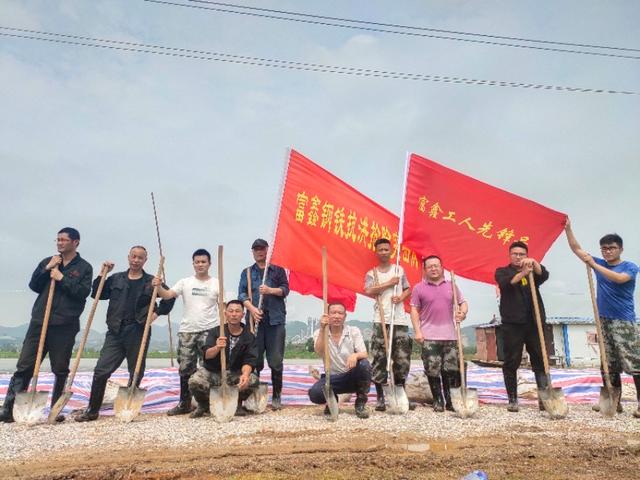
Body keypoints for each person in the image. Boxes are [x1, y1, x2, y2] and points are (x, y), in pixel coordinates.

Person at [0, 227, 92, 423]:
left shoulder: (84, 267)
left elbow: (82, 293)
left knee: (60, 368)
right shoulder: (48, 262)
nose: (59, 243)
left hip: (64, 325)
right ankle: (8, 410)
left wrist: (62, 278)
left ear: (75, 242)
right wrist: (47, 269)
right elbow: (34, 285)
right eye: (58, 239)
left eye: (64, 240)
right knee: (24, 366)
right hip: (40, 322)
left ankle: (55, 411)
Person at [75, 246, 175, 422]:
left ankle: (128, 406)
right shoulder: (116, 279)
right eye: (133, 256)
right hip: (115, 330)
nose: (136, 260)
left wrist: (156, 313)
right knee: (101, 370)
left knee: (135, 370)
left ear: (145, 260)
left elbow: (170, 298)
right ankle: (92, 410)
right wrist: (103, 273)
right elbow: (97, 293)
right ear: (128, 257)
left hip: (138, 330)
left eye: (140, 258)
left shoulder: (151, 281)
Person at [565, 219, 640, 418]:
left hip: (624, 321)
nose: (607, 251)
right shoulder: (598, 263)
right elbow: (576, 249)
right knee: (608, 363)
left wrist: (594, 265)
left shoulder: (630, 267)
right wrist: (568, 229)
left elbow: (619, 279)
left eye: (611, 248)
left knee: (634, 362)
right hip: (603, 321)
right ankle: (614, 402)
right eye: (604, 248)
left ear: (620, 249)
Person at [153, 248, 219, 416]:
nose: (200, 264)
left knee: (208, 367)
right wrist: (158, 286)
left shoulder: (216, 283)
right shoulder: (185, 282)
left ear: (209, 264)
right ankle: (185, 403)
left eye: (203, 262)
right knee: (185, 367)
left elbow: (223, 306)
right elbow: (167, 295)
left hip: (210, 330)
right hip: (187, 331)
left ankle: (208, 403)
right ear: (193, 264)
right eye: (197, 262)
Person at [495, 241, 551, 413]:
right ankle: (512, 399)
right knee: (511, 361)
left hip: (534, 322)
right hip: (512, 324)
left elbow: (544, 275)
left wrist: (534, 263)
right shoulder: (502, 271)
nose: (518, 257)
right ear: (510, 255)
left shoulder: (533, 271)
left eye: (522, 254)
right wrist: (523, 273)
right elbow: (508, 283)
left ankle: (544, 399)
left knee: (540, 360)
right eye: (515, 254)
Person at [410, 255, 468, 412]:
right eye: (430, 266)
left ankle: (451, 401)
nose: (433, 269)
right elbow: (414, 310)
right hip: (429, 337)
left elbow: (463, 303)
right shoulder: (418, 288)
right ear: (424, 270)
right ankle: (438, 400)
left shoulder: (451, 285)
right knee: (432, 370)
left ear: (442, 268)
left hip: (451, 336)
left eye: (436, 265)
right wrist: (417, 331)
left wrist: (462, 313)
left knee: (451, 370)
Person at [237, 238, 289, 410]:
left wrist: (270, 290)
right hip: (255, 322)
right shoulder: (246, 272)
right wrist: (252, 309)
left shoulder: (277, 269)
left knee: (276, 360)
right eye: (256, 249)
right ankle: (253, 395)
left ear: (268, 250)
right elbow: (242, 295)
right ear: (252, 252)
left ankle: (277, 396)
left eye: (262, 249)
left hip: (275, 321)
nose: (259, 252)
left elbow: (285, 289)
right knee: (255, 359)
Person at [364, 238, 412, 411]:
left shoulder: (399, 269)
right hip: (381, 319)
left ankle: (400, 394)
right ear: (376, 252)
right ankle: (380, 398)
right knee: (379, 358)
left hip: (399, 320)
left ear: (391, 251)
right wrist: (388, 284)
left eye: (386, 249)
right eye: (381, 250)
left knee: (402, 359)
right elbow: (368, 290)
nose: (384, 252)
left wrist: (401, 297)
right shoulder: (372, 273)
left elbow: (408, 289)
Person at [188, 300, 259, 418]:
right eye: (231, 311)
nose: (234, 314)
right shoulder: (216, 332)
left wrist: (245, 374)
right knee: (195, 381)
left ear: (243, 315)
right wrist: (217, 347)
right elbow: (207, 354)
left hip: (234, 374)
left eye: (237, 311)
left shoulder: (249, 336)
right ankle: (203, 404)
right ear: (225, 314)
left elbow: (249, 360)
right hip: (214, 372)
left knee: (252, 380)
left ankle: (236, 403)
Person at [308, 302, 372, 418]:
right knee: (314, 394)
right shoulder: (319, 333)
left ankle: (361, 402)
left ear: (345, 316)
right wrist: (322, 329)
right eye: (333, 313)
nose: (337, 316)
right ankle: (332, 400)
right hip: (332, 378)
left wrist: (355, 356)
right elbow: (319, 351)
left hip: (351, 375)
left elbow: (364, 353)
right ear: (327, 315)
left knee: (364, 364)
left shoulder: (353, 331)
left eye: (340, 313)